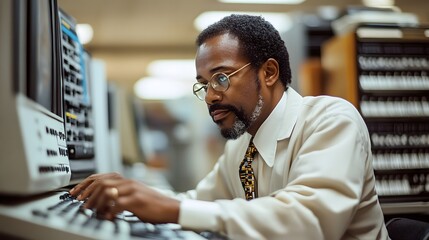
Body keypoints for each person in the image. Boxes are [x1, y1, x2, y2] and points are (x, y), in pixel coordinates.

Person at [69, 14, 389, 239]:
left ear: (269, 73)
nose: (209, 96)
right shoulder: (241, 145)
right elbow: (200, 202)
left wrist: (172, 209)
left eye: (221, 78)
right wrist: (135, 194)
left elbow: (310, 222)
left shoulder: (330, 120)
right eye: (203, 84)